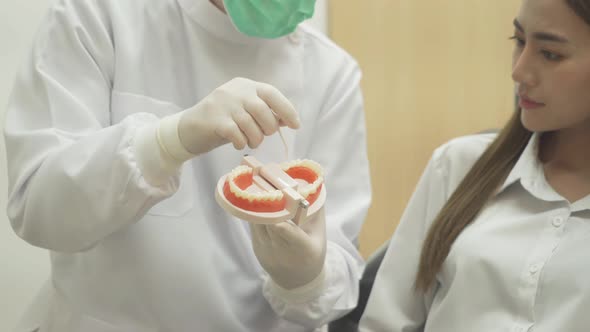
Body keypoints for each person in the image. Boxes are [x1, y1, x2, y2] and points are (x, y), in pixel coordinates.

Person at [3, 0, 372, 331]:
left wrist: (304, 277)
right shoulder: (100, 14)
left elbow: (337, 281)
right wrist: (167, 142)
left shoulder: (332, 73)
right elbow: (37, 206)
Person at [359, 0, 590, 331]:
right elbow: (386, 323)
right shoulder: (458, 166)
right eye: (520, 41)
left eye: (550, 54)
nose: (519, 71)